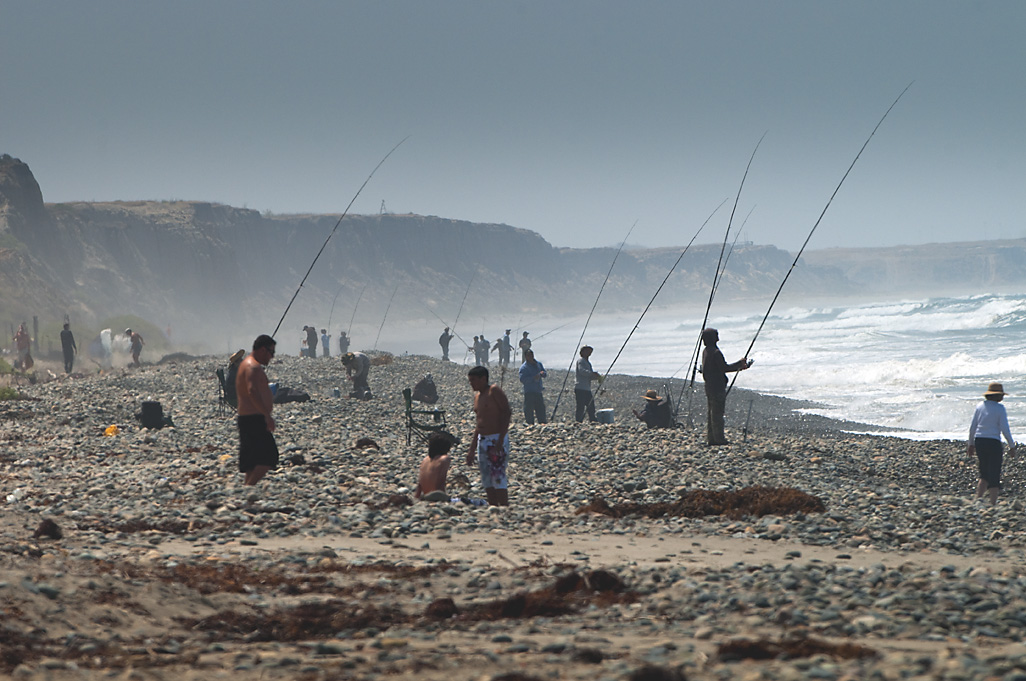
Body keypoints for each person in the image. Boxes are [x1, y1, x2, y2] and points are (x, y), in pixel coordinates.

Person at [236, 335, 279, 485]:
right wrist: (267, 416)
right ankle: (249, 488)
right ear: (262, 350)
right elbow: (252, 391)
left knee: (251, 461)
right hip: (254, 418)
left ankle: (245, 492)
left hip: (248, 418)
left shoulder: (248, 364)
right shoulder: (252, 367)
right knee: (269, 458)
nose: (272, 357)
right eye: (271, 352)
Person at [466, 365, 512, 506]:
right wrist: (472, 448)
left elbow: (506, 413)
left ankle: (504, 507)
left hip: (496, 438)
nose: (471, 383)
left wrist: (500, 440)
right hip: (482, 440)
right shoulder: (477, 397)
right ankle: (493, 506)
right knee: (486, 477)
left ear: (483, 379)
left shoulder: (494, 391)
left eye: (473, 380)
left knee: (497, 476)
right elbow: (479, 424)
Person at [967, 382, 1017, 505]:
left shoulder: (980, 406)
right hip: (993, 441)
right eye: (1001, 395)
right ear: (997, 396)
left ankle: (978, 499)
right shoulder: (1000, 408)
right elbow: (1005, 428)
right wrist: (1011, 446)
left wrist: (970, 444)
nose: (1003, 397)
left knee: (983, 471)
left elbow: (973, 427)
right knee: (994, 472)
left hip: (980, 441)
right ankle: (993, 503)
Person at [701, 327, 751, 445]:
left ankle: (711, 438)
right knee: (717, 413)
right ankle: (719, 439)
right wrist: (740, 364)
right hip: (717, 386)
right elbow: (724, 368)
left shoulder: (706, 351)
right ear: (713, 338)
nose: (718, 337)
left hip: (709, 385)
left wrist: (739, 365)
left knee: (711, 412)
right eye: (716, 335)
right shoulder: (716, 353)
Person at [415, 433, 453, 501]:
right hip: (435, 496)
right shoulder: (444, 459)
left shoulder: (425, 459)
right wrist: (443, 499)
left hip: (425, 495)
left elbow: (420, 483)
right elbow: (441, 481)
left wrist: (417, 497)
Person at [519, 349, 548, 424]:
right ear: (526, 357)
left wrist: (542, 373)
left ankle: (542, 422)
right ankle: (530, 423)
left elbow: (544, 374)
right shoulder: (524, 367)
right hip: (529, 391)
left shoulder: (538, 364)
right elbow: (522, 379)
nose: (531, 357)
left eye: (532, 355)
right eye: (529, 355)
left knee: (540, 408)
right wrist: (533, 378)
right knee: (529, 409)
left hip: (538, 390)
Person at [575, 345, 602, 423]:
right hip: (580, 387)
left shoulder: (587, 363)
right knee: (581, 406)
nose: (589, 353)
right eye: (587, 351)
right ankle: (578, 420)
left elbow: (589, 376)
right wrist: (592, 373)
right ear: (582, 352)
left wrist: (597, 377)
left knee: (591, 405)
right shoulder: (581, 361)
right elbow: (582, 371)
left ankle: (592, 419)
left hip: (586, 387)